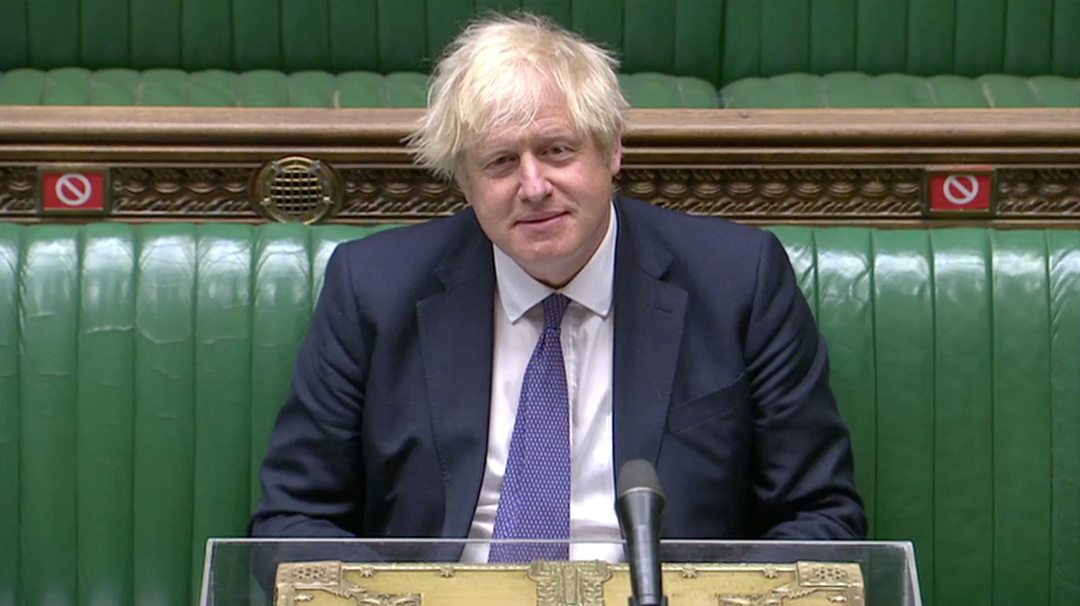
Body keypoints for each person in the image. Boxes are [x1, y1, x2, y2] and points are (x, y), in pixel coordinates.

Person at [250, 13, 866, 564]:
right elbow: (289, 523)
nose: (534, 185)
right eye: (498, 162)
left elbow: (822, 521)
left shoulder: (739, 281)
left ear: (611, 149)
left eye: (557, 150)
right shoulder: (373, 289)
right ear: (464, 182)